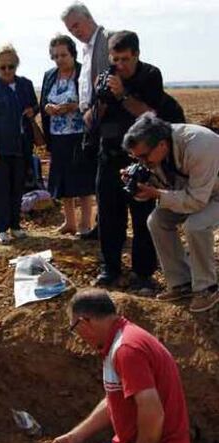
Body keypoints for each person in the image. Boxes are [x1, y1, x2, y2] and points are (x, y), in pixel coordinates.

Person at [50, 289, 191, 443]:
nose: (79, 337)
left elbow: (153, 413)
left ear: (84, 322)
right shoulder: (117, 340)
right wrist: (75, 436)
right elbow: (113, 399)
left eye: (74, 329)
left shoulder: (127, 349)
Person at [84, 30, 164, 291]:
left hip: (140, 160)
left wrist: (122, 94)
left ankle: (143, 273)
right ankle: (111, 268)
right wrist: (101, 99)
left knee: (143, 218)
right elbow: (94, 120)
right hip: (108, 157)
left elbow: (151, 115)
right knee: (108, 216)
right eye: (115, 59)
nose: (119, 65)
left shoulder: (150, 75)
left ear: (136, 55)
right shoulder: (107, 75)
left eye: (125, 59)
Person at [123, 113, 219, 313]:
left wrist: (157, 193)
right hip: (193, 192)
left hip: (210, 194)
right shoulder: (155, 151)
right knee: (156, 221)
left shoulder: (200, 144)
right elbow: (170, 189)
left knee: (196, 225)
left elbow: (196, 202)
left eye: (144, 157)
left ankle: (207, 288)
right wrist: (141, 187)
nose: (142, 162)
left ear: (161, 145)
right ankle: (181, 283)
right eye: (136, 158)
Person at [0, 44, 39, 244]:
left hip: (22, 146)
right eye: (3, 67)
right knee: (0, 188)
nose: (7, 71)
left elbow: (35, 107)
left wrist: (32, 111)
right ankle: (1, 228)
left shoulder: (25, 85)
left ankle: (15, 226)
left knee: (17, 187)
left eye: (11, 67)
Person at [61, 2, 112, 241]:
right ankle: (102, 226)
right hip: (90, 121)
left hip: (107, 120)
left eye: (76, 25)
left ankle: (108, 228)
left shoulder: (107, 40)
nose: (74, 31)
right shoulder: (85, 47)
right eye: (70, 29)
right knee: (98, 179)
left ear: (88, 18)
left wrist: (95, 110)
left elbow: (110, 81)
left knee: (107, 179)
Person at [40, 34, 94, 235]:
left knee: (82, 181)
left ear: (72, 53)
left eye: (63, 55)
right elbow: (43, 101)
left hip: (80, 134)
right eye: (55, 56)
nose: (59, 59)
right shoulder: (50, 75)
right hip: (57, 136)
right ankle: (69, 222)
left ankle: (85, 224)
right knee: (63, 180)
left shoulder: (83, 73)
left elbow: (92, 102)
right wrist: (48, 108)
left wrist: (72, 107)